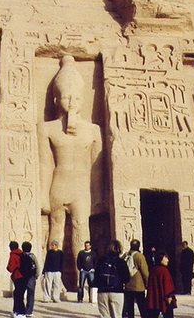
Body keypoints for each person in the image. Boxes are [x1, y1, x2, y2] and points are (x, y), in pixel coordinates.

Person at [39, 55, 103, 276]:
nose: (72, 101)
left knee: (81, 231)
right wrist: (42, 196)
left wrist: (99, 197)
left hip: (81, 189)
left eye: (76, 97)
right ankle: (54, 278)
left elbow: (97, 168)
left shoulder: (93, 130)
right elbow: (45, 165)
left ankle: (80, 281)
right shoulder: (48, 128)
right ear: (56, 100)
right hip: (58, 186)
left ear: (83, 100)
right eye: (66, 97)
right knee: (55, 230)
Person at [95, 240, 130, 318]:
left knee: (104, 316)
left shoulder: (101, 260)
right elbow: (126, 278)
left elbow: (96, 276)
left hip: (102, 292)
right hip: (117, 291)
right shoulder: (121, 262)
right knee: (117, 315)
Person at [146, 252, 177, 318]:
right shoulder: (164, 271)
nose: (167, 260)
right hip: (164, 300)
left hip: (154, 300)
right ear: (160, 258)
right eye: (165, 258)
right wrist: (169, 296)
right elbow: (167, 286)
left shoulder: (153, 270)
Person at [7, 241, 27, 318]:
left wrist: (8, 268)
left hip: (18, 276)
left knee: (17, 295)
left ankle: (20, 313)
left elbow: (11, 268)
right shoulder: (23, 254)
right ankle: (17, 312)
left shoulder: (13, 255)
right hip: (24, 276)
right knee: (19, 294)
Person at [21, 241, 41, 316]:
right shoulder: (32, 256)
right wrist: (36, 275)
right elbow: (37, 266)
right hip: (31, 277)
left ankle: (21, 310)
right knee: (31, 294)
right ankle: (29, 311)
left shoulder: (20, 256)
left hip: (22, 277)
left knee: (20, 294)